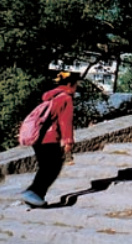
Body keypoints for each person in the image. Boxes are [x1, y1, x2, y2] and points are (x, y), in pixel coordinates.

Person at [21, 71, 80, 208]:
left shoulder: (51, 97)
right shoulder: (66, 98)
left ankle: (36, 197)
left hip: (37, 137)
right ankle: (34, 192)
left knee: (46, 167)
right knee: (53, 166)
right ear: (70, 84)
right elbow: (65, 122)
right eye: (76, 84)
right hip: (50, 138)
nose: (76, 87)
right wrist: (68, 142)